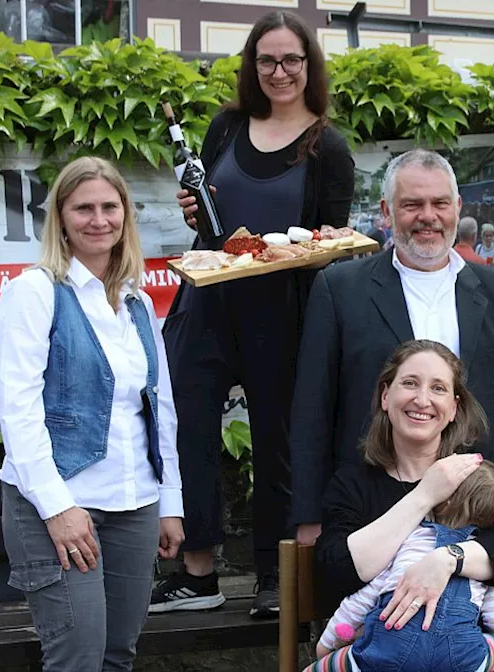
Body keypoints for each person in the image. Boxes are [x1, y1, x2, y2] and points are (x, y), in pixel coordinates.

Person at [289, 149, 494, 554]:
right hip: (370, 507)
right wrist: (308, 513)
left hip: (476, 505)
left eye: (440, 203)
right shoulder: (339, 290)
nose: (428, 215)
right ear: (387, 212)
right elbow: (311, 408)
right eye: (412, 205)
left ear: (457, 208)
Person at [154, 9, 354, 617]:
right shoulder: (225, 126)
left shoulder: (328, 145)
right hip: (207, 299)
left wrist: (301, 247)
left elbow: (331, 244)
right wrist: (195, 211)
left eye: (291, 59)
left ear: (308, 65)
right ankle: (198, 571)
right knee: (188, 428)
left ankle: (273, 574)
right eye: (266, 60)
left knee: (279, 442)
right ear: (252, 66)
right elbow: (208, 209)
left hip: (282, 308)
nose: (279, 71)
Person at [0, 156, 185, 670]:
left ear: (126, 214)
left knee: (118, 656)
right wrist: (57, 508)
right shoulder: (34, 292)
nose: (98, 220)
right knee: (76, 658)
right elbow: (19, 412)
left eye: (109, 206)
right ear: (61, 218)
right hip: (58, 503)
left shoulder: (137, 301)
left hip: (135, 504)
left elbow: (158, 407)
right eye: (83, 208)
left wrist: (169, 502)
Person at [312, 340, 494, 671]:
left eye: (438, 388)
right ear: (385, 396)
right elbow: (337, 569)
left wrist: (445, 560)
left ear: (453, 408)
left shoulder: (475, 479)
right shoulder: (352, 484)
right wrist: (425, 495)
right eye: (409, 383)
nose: (422, 400)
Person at [309, 460, 494, 672]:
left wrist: (326, 644)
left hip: (387, 654)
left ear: (442, 501)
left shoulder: (406, 541)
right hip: (461, 659)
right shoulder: (484, 558)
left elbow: (364, 598)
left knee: (338, 660)